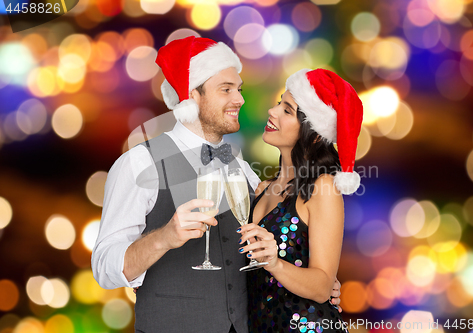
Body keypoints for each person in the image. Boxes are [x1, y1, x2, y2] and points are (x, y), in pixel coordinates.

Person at [91, 37, 342, 333]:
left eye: (239, 89)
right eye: (226, 90)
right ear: (191, 95)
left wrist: (321, 283)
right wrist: (164, 238)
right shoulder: (139, 164)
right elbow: (104, 268)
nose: (240, 100)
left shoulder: (246, 172)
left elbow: (291, 246)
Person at [238, 68, 363, 332]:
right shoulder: (263, 188)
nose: (272, 112)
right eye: (278, 103)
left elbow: (321, 287)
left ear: (314, 133)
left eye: (287, 110)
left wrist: (274, 263)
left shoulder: (324, 187)